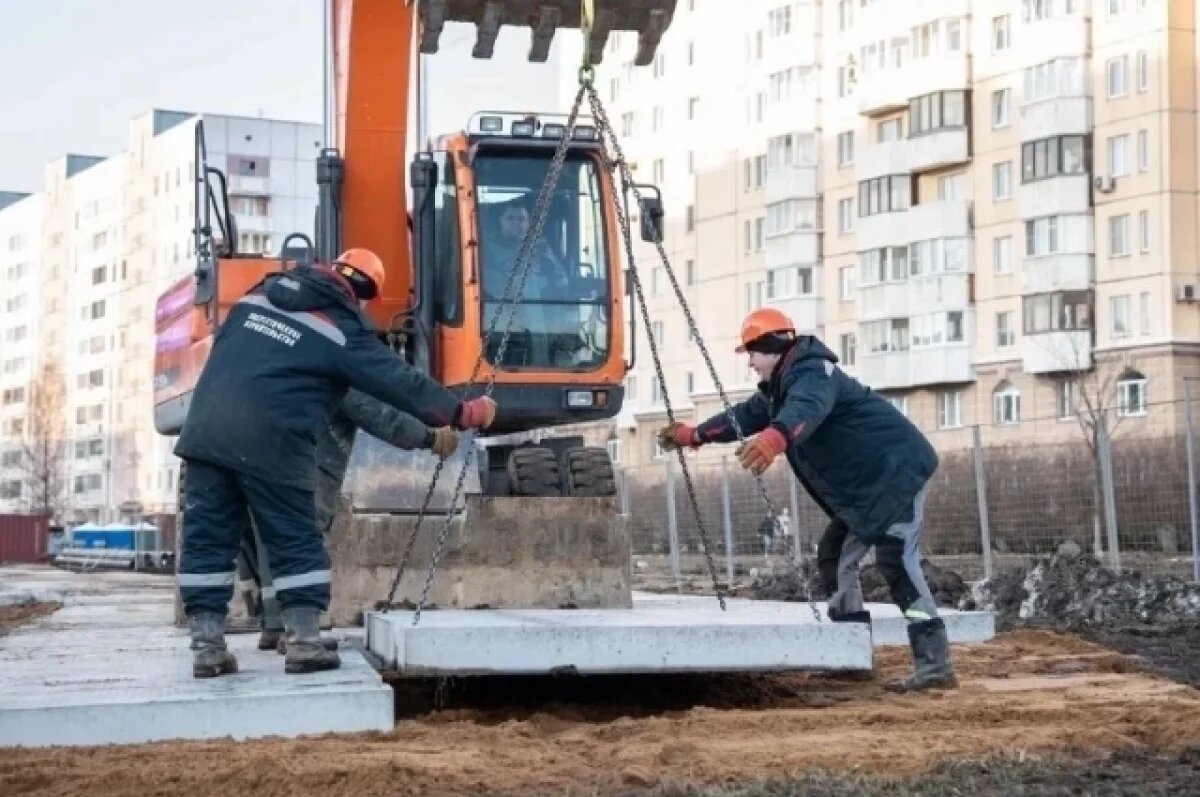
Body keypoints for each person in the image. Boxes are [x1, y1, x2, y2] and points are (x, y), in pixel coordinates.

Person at [175, 247, 497, 679]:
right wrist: (461, 413)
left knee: (207, 539)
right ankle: (305, 644)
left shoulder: (255, 297)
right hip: (274, 440)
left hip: (205, 434)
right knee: (294, 538)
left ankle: (207, 650)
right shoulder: (339, 329)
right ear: (362, 295)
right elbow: (398, 382)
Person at [656, 307, 954, 693]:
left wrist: (776, 437)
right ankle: (851, 655)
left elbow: (807, 409)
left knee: (895, 560)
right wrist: (695, 435)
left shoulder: (814, 374)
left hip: (896, 475)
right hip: (867, 490)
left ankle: (935, 665)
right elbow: (744, 416)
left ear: (771, 348)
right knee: (834, 555)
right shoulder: (782, 388)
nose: (750, 363)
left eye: (752, 353)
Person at [236, 392, 461, 653]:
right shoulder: (338, 374)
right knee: (302, 542)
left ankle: (275, 626)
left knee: (270, 537)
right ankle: (299, 635)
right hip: (307, 468)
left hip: (262, 457)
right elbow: (378, 414)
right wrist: (430, 437)